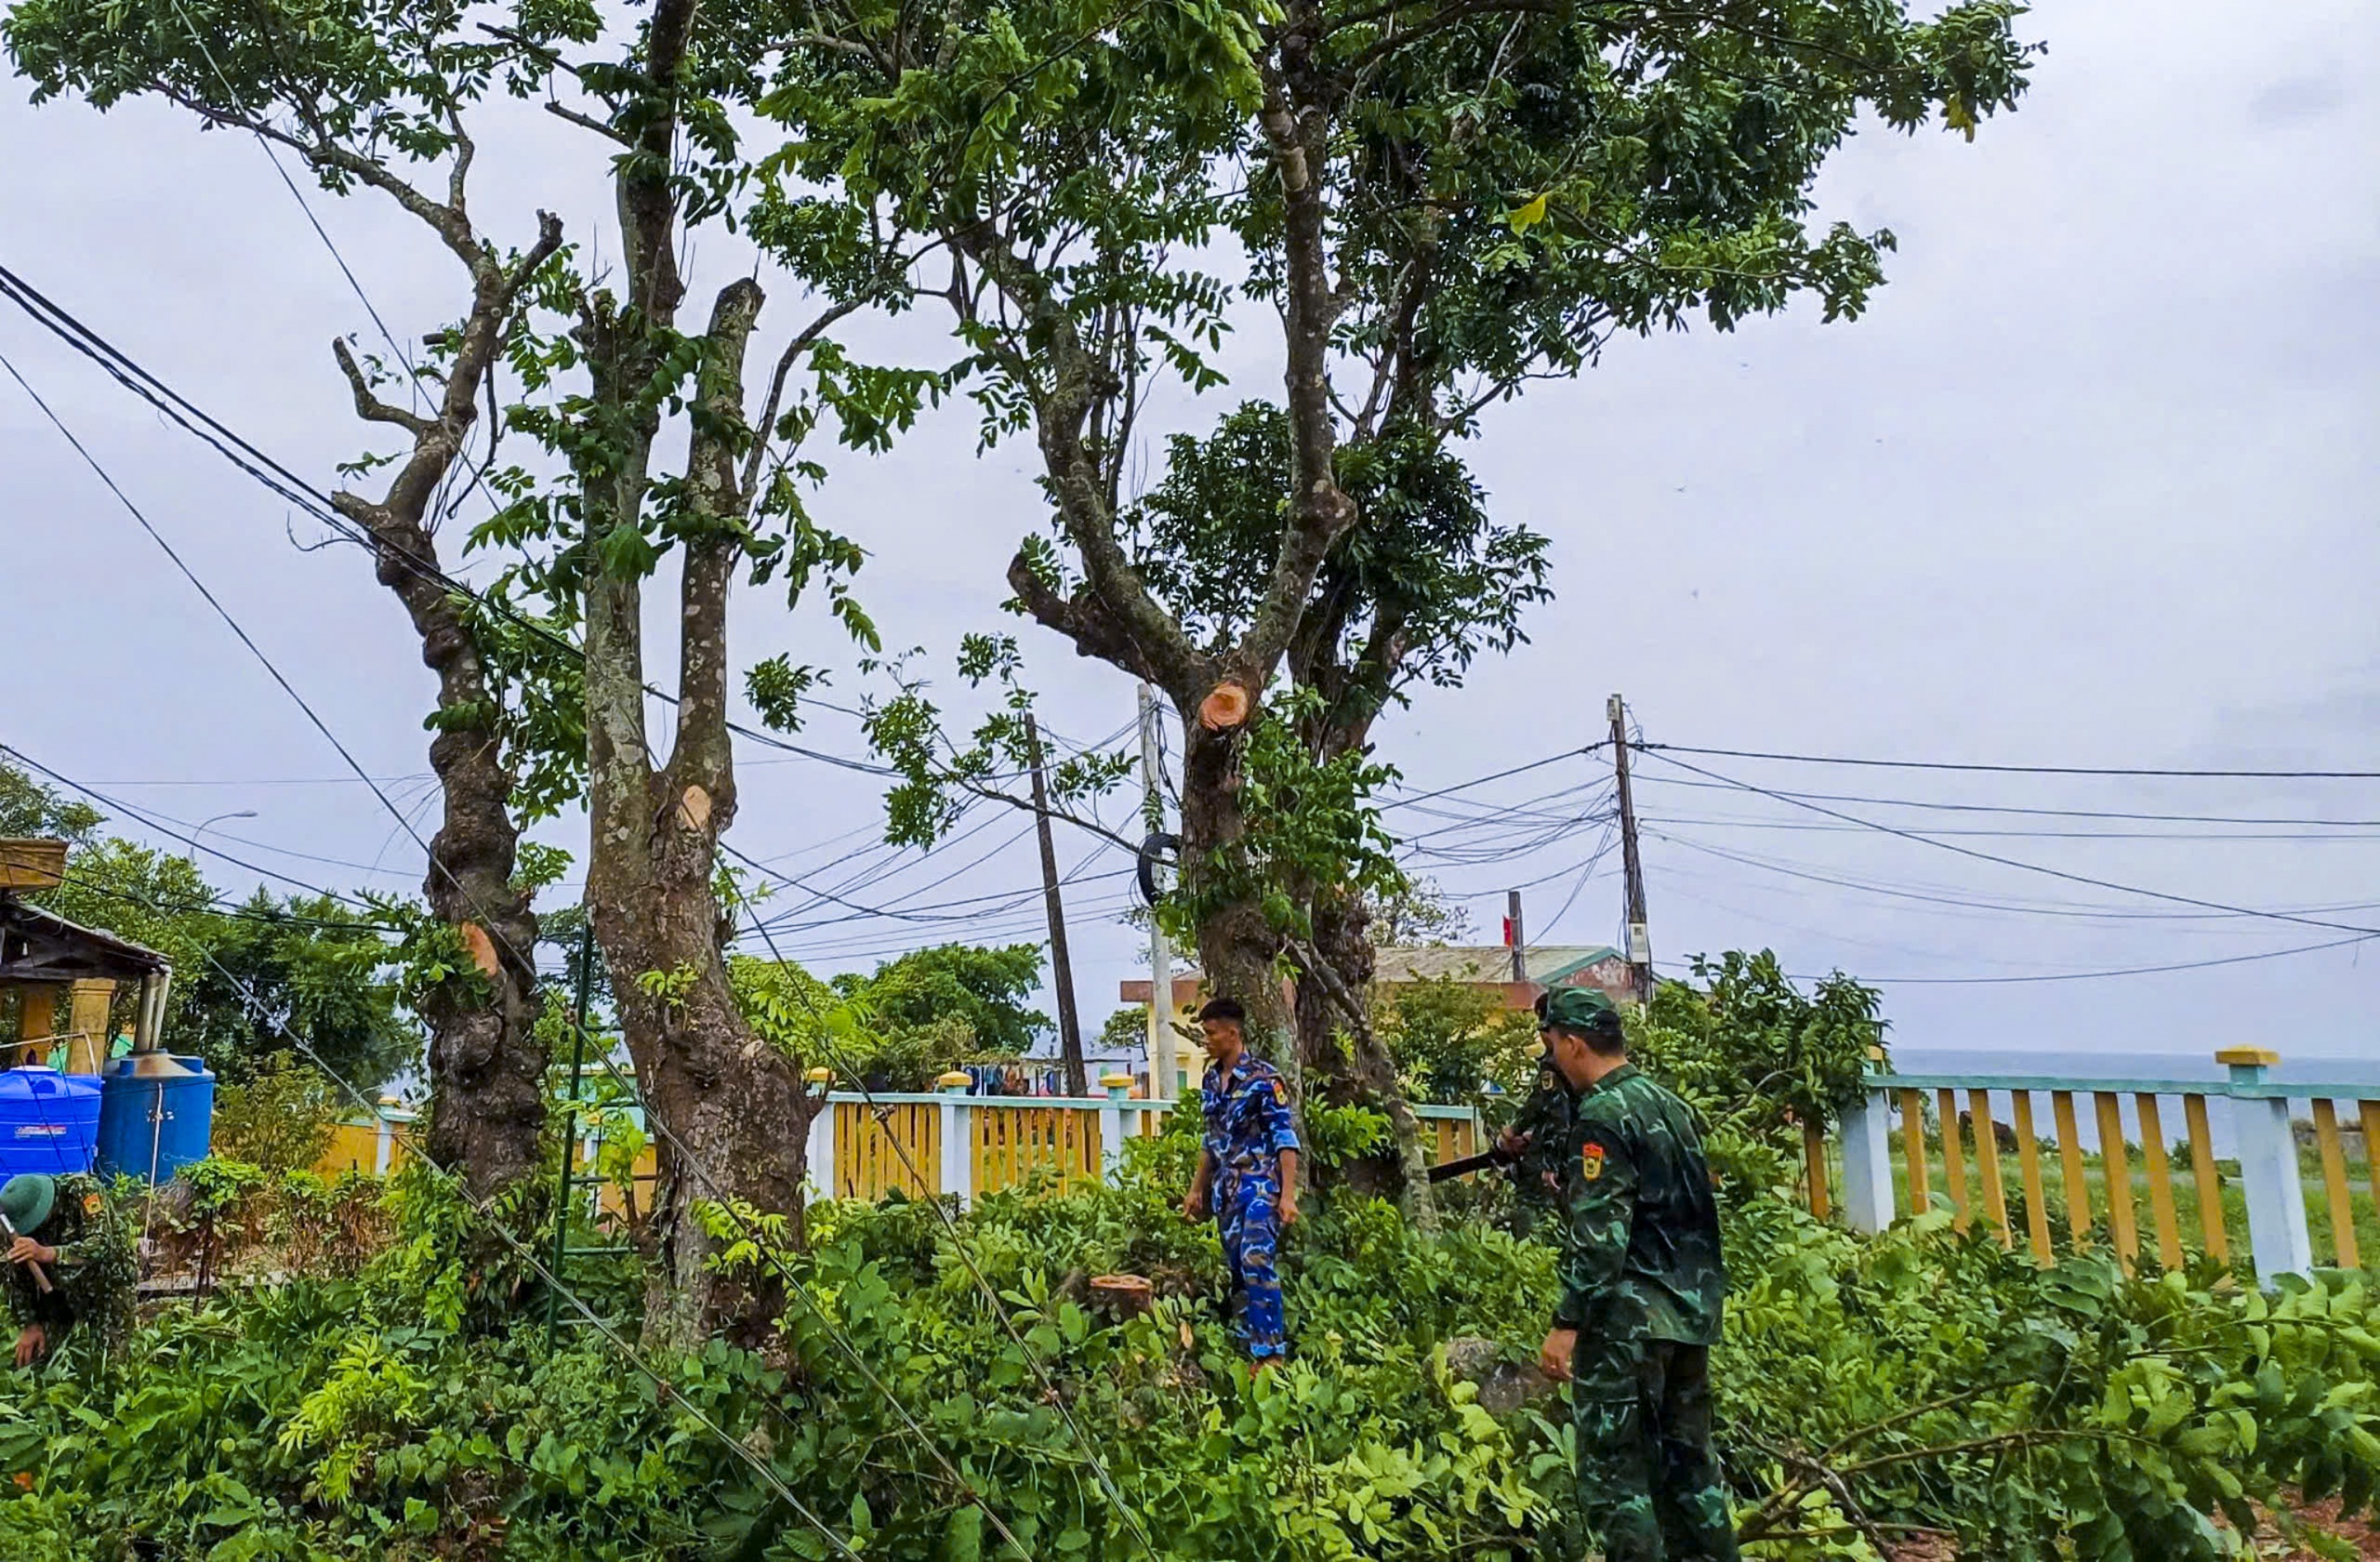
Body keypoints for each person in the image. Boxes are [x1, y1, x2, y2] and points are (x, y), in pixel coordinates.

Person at [1533, 988, 1739, 1562]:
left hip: (1629, 1325)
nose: (1553, 1059)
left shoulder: (1601, 1116)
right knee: (1692, 1473)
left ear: (1573, 1044)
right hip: (1691, 1318)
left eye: (1554, 1046)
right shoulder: (1669, 1105)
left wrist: (1566, 1323)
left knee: (1616, 1480)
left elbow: (1602, 1240)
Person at [1181, 997, 1301, 1365]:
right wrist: (1196, 1189)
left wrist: (1288, 1196)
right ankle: (1246, 1345)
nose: (1207, 1040)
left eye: (1212, 1033)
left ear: (1233, 1033)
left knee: (1255, 1259)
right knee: (1237, 1268)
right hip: (1226, 1191)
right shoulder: (1211, 1080)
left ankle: (1271, 1353)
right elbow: (1210, 1140)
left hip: (1261, 1187)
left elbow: (1285, 1139)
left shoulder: (1265, 1080)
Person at [4, 1171, 128, 1369]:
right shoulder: (10, 1222)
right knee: (41, 1359)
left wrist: (45, 1253)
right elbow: (15, 1274)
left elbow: (100, 1244)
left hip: (109, 1278)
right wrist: (30, 1323)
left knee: (109, 1360)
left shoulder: (82, 1190)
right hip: (59, 1285)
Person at [1494, 992, 1574, 1240]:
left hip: (1553, 1149)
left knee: (1530, 1201)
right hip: (1580, 1147)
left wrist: (1516, 1130)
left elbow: (1552, 1109)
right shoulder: (1584, 1057)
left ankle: (1527, 1255)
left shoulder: (1555, 1062)